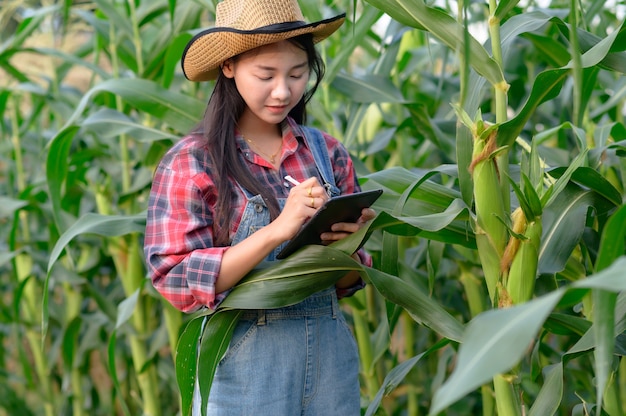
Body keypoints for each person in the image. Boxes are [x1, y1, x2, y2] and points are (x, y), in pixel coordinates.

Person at [143, 0, 376, 414]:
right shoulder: (192, 162)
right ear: (229, 67)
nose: (284, 90)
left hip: (331, 369)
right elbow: (174, 277)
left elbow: (345, 285)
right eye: (266, 75)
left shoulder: (327, 154)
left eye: (298, 73)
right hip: (241, 373)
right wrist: (277, 229)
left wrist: (348, 247)